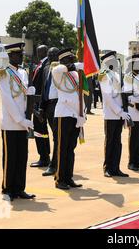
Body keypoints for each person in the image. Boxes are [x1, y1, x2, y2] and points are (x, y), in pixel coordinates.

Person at [0, 42, 36, 201]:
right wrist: (20, 120)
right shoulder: (4, 73)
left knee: (22, 157)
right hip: (11, 122)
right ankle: (7, 189)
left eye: (21, 54)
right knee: (10, 157)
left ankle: (19, 188)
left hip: (23, 122)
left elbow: (24, 97)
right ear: (10, 56)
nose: (21, 57)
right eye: (18, 55)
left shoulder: (23, 73)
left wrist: (31, 94)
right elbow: (7, 100)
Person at [51, 48, 85, 190]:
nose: (72, 62)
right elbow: (58, 69)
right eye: (69, 59)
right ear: (63, 61)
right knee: (62, 148)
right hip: (63, 115)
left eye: (73, 59)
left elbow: (79, 96)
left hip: (74, 116)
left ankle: (68, 177)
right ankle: (59, 179)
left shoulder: (75, 75)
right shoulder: (57, 72)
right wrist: (75, 65)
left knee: (71, 149)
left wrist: (82, 114)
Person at [98, 51, 130, 177]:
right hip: (111, 114)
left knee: (117, 142)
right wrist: (119, 111)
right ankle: (107, 168)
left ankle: (116, 168)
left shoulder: (116, 75)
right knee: (110, 141)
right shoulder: (103, 75)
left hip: (119, 113)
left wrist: (123, 111)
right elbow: (107, 98)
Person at [30, 45, 51, 168]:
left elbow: (43, 85)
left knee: (40, 130)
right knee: (40, 130)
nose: (38, 53)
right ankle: (44, 155)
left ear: (45, 52)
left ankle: (44, 157)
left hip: (41, 103)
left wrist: (40, 106)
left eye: (40, 51)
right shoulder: (39, 65)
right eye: (37, 51)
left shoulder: (46, 66)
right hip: (37, 102)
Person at [41, 47, 60, 177]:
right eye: (50, 54)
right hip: (48, 106)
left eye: (54, 54)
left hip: (58, 105)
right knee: (55, 137)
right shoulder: (46, 69)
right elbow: (44, 88)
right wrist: (42, 107)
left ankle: (54, 165)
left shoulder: (61, 70)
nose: (51, 56)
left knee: (57, 137)